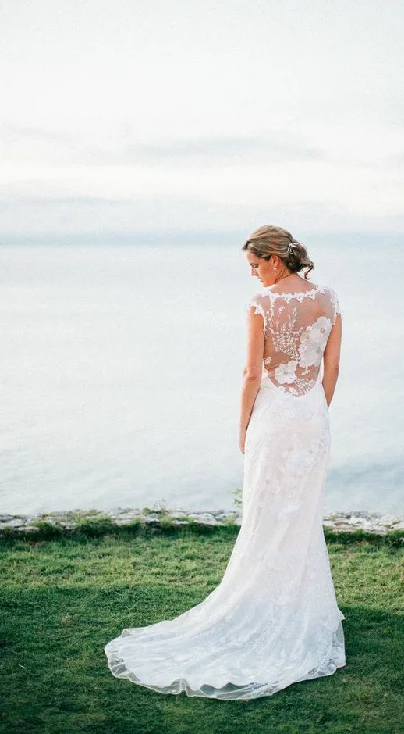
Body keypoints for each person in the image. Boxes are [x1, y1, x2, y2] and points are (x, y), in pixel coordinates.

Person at [104, 224, 345, 700]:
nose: (254, 275)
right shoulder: (329, 299)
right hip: (311, 419)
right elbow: (331, 370)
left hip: (273, 420)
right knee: (301, 516)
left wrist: (242, 427)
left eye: (256, 266)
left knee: (265, 513)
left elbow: (252, 373)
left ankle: (264, 606)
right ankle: (300, 609)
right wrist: (313, 413)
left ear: (276, 259)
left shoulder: (261, 306)